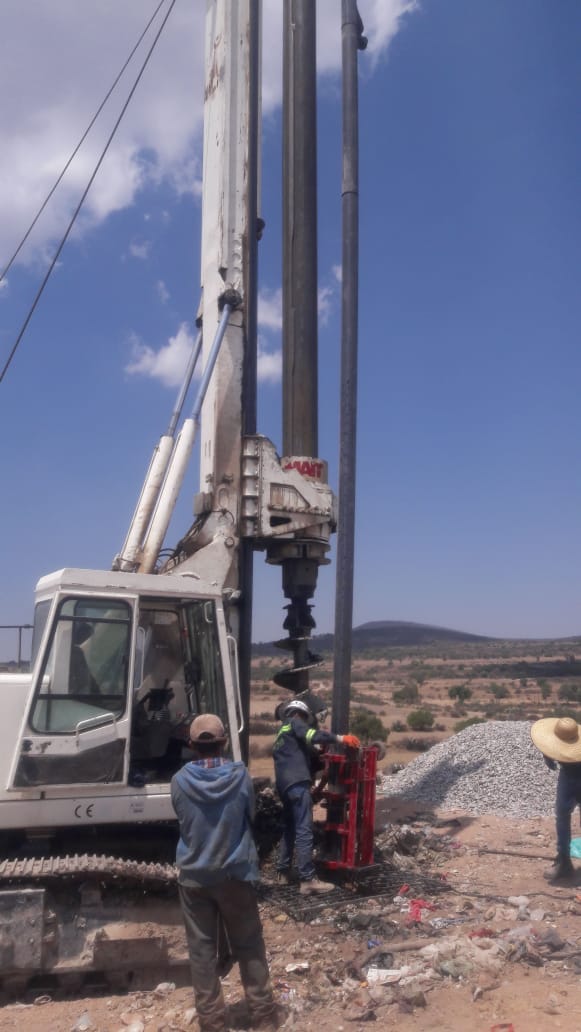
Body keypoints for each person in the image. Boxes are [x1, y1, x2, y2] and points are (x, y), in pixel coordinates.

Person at [171, 714, 277, 1032]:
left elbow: (181, 818)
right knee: (248, 944)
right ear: (224, 743)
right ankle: (264, 1017)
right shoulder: (240, 775)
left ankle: (213, 1022)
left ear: (191, 745)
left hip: (194, 877)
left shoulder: (179, 781)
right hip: (235, 874)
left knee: (201, 950)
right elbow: (250, 814)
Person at [272, 699, 360, 894]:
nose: (305, 722)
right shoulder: (295, 722)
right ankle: (307, 879)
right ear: (299, 714)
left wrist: (322, 760)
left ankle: (283, 873)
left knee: (289, 828)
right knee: (304, 829)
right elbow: (312, 735)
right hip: (297, 783)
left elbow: (309, 756)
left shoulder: (282, 734)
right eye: (305, 719)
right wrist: (340, 739)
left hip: (284, 786)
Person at [531, 716, 581, 883]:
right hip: (567, 775)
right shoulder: (559, 739)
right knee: (562, 815)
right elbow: (550, 744)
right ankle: (564, 861)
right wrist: (548, 754)